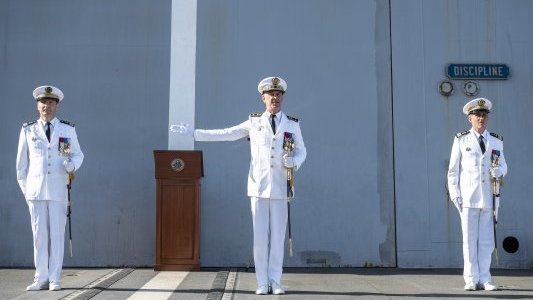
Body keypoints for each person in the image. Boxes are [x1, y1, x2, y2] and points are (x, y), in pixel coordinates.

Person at [173, 76, 306, 295]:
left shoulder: (292, 124)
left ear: (282, 97)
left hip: (282, 188)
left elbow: (302, 150)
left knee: (278, 237)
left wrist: (295, 161)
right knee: (260, 238)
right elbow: (227, 133)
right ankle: (262, 282)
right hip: (258, 187)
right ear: (263, 98)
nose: (275, 98)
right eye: (271, 94)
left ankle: (276, 280)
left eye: (279, 94)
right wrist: (195, 133)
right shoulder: (254, 123)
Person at [16, 85, 84, 291]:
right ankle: (40, 278)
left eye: (52, 102)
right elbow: (21, 166)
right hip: (36, 192)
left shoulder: (67, 129)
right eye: (43, 102)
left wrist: (72, 164)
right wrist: (27, 192)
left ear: (57, 106)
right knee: (39, 236)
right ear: (37, 105)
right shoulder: (28, 129)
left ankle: (55, 279)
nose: (47, 106)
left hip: (59, 191)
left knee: (56, 236)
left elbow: (78, 155)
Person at [447, 97, 507, 291]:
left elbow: (503, 164)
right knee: (470, 240)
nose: (481, 118)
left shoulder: (496, 140)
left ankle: (485, 278)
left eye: (484, 115)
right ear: (469, 118)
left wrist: (501, 171)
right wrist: (455, 194)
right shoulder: (461, 139)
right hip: (468, 197)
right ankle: (471, 279)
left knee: (487, 241)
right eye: (477, 115)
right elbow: (453, 171)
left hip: (489, 197)